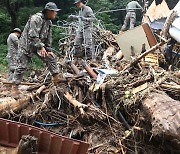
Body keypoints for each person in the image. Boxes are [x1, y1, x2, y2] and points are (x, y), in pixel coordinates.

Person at [11, 2, 61, 95]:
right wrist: (41, 47)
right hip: (26, 45)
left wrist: (48, 50)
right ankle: (15, 86)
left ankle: (56, 79)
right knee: (22, 66)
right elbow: (32, 35)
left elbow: (48, 38)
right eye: (55, 12)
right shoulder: (35, 18)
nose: (56, 13)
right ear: (49, 11)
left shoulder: (49, 22)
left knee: (51, 57)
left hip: (38, 46)